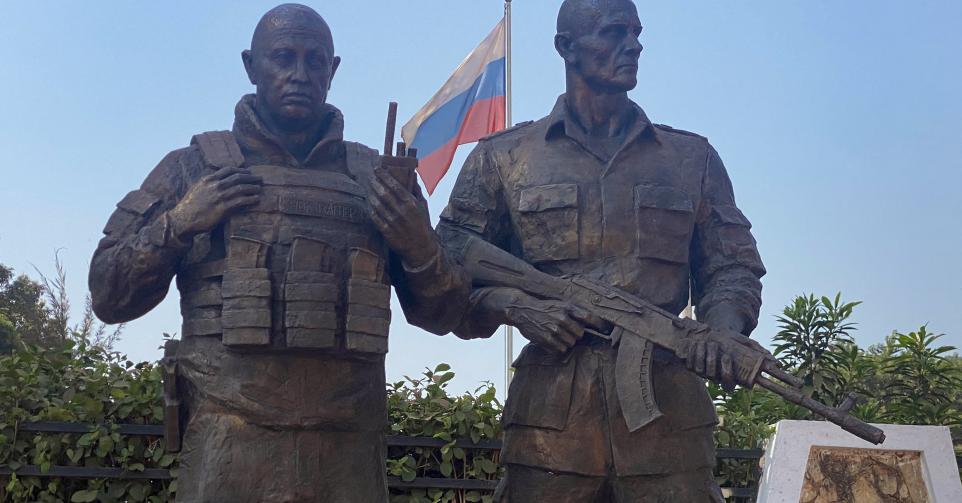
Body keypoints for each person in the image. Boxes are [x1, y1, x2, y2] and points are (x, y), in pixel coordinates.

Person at [89, 4, 466, 501]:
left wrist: (419, 245)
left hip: (345, 450)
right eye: (283, 57)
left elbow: (444, 314)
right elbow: (109, 295)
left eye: (315, 61)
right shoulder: (193, 167)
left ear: (333, 71)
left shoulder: (378, 179)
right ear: (251, 66)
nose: (299, 74)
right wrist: (179, 223)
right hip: (229, 443)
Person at [436, 0, 766, 500]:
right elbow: (449, 273)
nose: (632, 44)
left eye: (636, 32)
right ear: (566, 47)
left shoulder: (690, 158)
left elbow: (732, 267)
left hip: (668, 426)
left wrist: (720, 333)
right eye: (614, 32)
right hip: (549, 430)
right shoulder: (503, 159)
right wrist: (518, 306)